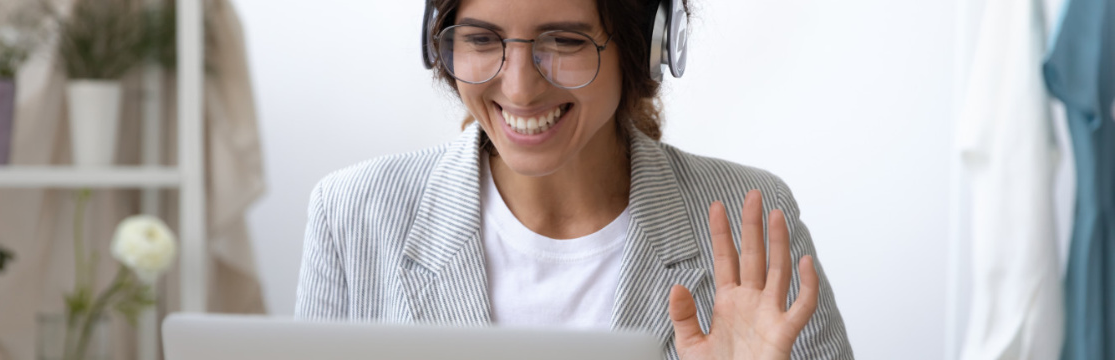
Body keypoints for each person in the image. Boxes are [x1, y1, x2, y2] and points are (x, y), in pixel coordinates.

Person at [294, 0, 854, 358]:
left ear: (644, 50)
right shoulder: (352, 213)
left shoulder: (743, 218)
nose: (518, 89)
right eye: (482, 39)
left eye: (563, 41)